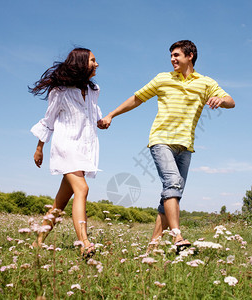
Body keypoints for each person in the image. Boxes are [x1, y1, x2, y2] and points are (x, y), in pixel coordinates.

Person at [97, 40, 235, 252]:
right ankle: (176, 235)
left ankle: (152, 247)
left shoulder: (205, 83)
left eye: (176, 55)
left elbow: (230, 101)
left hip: (186, 146)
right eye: (171, 55)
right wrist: (111, 115)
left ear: (190, 56)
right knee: (172, 184)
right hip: (161, 140)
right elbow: (137, 98)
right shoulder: (163, 79)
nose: (172, 59)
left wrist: (219, 100)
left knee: (170, 194)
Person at [29, 47, 101, 259]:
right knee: (82, 189)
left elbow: (94, 113)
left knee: (59, 204)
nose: (96, 64)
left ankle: (38, 241)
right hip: (66, 146)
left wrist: (102, 121)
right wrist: (39, 147)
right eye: (93, 61)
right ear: (80, 63)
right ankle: (84, 244)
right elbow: (48, 120)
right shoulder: (59, 92)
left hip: (84, 148)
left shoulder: (94, 89)